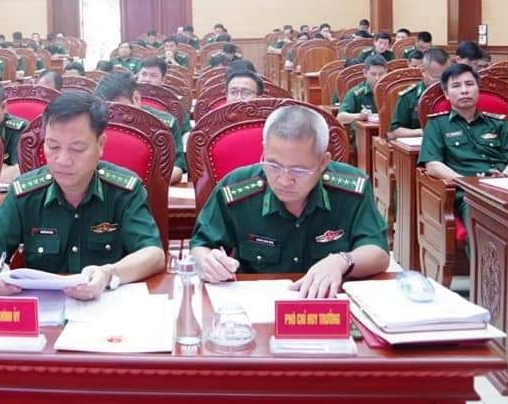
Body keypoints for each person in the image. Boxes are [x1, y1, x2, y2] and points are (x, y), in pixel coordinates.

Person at [0, 92, 164, 299]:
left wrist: (109, 273)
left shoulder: (124, 191)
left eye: (77, 148)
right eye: (53, 146)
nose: (62, 160)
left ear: (100, 145)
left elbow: (153, 254)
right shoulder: (27, 193)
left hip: (106, 306)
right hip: (43, 311)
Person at [190, 106, 388, 298]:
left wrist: (342, 261)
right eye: (273, 165)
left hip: (327, 305)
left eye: (299, 170)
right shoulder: (235, 189)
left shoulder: (351, 188)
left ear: (323, 162)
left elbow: (378, 253)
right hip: (257, 304)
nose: (284, 180)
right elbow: (201, 246)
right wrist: (207, 262)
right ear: (264, 150)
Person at [419, 64, 508, 245]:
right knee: (482, 231)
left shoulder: (497, 123)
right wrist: (465, 182)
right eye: (456, 86)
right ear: (446, 93)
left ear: (478, 88)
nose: (464, 90)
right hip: (467, 194)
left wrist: (505, 176)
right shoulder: (437, 124)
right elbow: (432, 165)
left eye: (469, 84)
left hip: (503, 188)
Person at [95, 72, 185, 184]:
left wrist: (142, 186)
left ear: (136, 98)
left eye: (120, 108)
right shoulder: (95, 121)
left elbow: (178, 167)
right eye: (108, 108)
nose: (114, 115)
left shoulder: (163, 124)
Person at [389, 48, 450, 139]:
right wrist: (423, 132)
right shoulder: (409, 96)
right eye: (437, 78)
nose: (443, 82)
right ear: (423, 72)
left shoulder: (454, 93)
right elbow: (395, 131)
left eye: (447, 77)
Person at [337, 55, 388, 126]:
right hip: (364, 131)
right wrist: (359, 116)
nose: (377, 78)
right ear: (365, 73)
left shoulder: (391, 92)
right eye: (373, 74)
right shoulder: (356, 93)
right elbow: (340, 117)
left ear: (386, 72)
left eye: (381, 74)